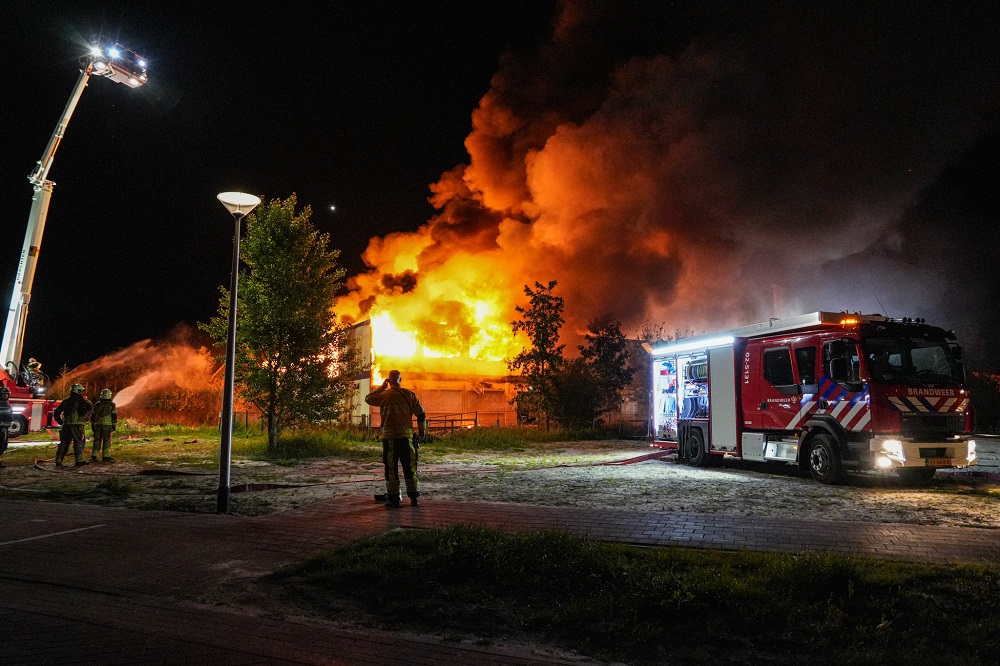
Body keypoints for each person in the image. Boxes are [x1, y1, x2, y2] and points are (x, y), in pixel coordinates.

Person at [365, 369, 426, 508]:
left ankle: (394, 500)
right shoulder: (410, 395)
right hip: (407, 440)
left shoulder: (384, 395)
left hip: (390, 439)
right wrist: (421, 433)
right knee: (410, 467)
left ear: (389, 380)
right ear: (401, 379)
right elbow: (421, 414)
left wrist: (382, 387)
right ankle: (414, 498)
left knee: (391, 469)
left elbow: (368, 398)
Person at [53, 383, 93, 467]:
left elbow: (57, 411)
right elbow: (90, 410)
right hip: (78, 426)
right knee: (79, 442)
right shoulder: (83, 401)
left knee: (64, 443)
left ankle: (59, 460)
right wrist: (86, 419)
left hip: (66, 425)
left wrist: (60, 421)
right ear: (79, 391)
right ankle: (79, 460)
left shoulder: (66, 401)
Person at [90, 388, 118, 462]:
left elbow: (92, 416)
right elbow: (114, 416)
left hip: (97, 426)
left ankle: (94, 456)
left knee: (96, 441)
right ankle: (106, 456)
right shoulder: (112, 404)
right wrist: (114, 425)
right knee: (106, 440)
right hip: (107, 425)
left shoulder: (97, 404)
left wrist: (92, 425)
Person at [0, 385, 12, 469]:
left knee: (3, 445)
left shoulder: (6, 404)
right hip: (1, 427)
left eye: (6, 394)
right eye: (3, 394)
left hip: (5, 427)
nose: (5, 396)